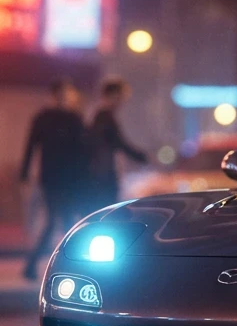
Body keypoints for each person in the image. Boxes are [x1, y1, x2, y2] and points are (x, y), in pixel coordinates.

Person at [20, 79, 87, 279]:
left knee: (63, 221)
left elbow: (81, 152)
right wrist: (24, 172)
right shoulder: (45, 117)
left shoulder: (73, 118)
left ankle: (38, 266)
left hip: (66, 180)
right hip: (52, 179)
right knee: (58, 220)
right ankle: (63, 265)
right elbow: (31, 145)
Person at [86, 76, 148, 210]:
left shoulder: (99, 116)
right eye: (122, 96)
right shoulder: (104, 118)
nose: (124, 101)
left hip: (100, 174)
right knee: (107, 212)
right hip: (103, 175)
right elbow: (120, 143)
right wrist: (142, 157)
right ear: (114, 95)